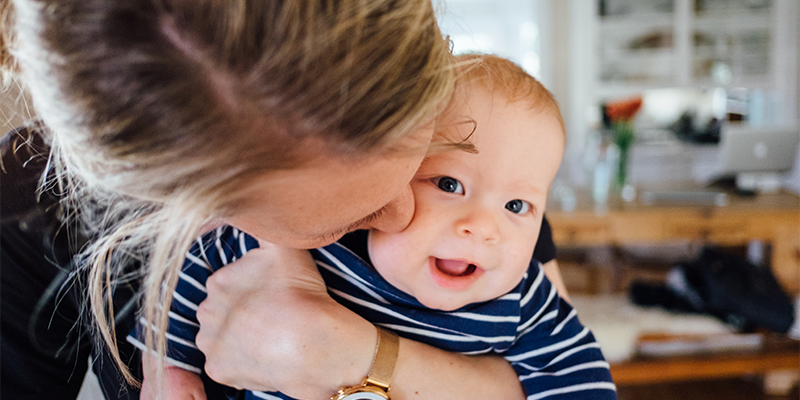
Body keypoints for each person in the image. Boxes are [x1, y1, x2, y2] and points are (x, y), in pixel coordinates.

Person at [0, 1, 567, 399]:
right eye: (348, 218)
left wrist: (359, 358)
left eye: (424, 164)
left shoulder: (482, 155)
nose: (403, 213)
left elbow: (560, 371)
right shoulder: (21, 216)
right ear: (192, 210)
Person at [133, 55, 616, 400]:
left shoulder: (521, 299)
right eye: (448, 184)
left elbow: (579, 377)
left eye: (517, 205)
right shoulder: (326, 238)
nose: (482, 226)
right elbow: (196, 263)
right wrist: (169, 369)